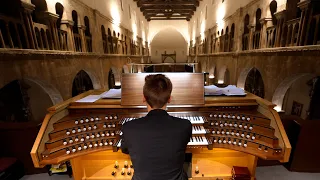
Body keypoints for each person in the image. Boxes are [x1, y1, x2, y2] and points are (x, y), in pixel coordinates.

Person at [121, 74, 192, 180]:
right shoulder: (184, 125)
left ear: (144, 98)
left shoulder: (128, 128)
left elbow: (125, 149)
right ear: (169, 99)